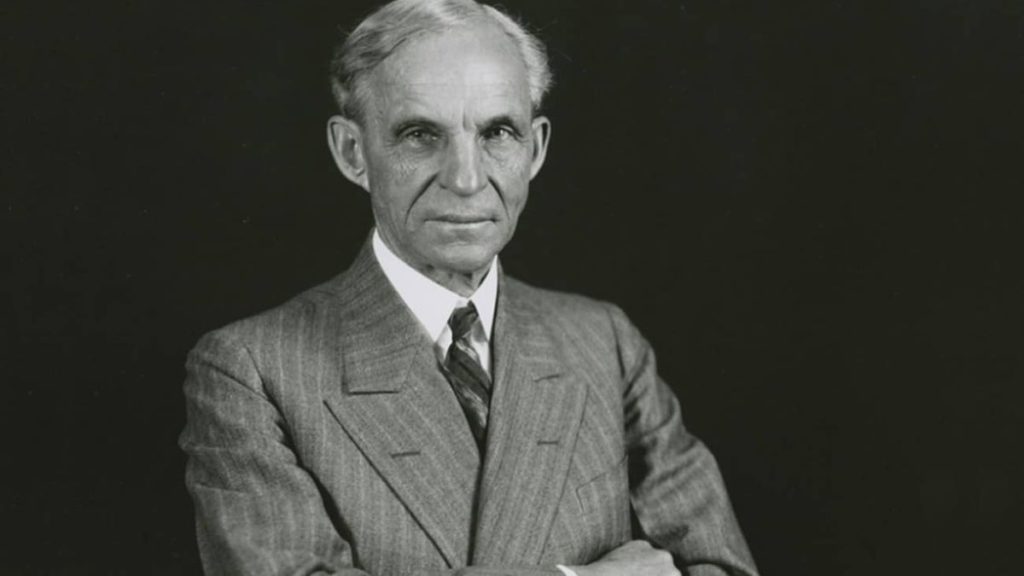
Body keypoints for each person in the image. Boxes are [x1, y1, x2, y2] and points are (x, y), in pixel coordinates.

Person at [179, 1, 758, 575]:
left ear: (535, 149)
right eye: (419, 135)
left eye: (497, 132)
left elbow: (721, 565)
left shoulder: (604, 342)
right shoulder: (253, 369)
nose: (466, 178)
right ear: (353, 153)